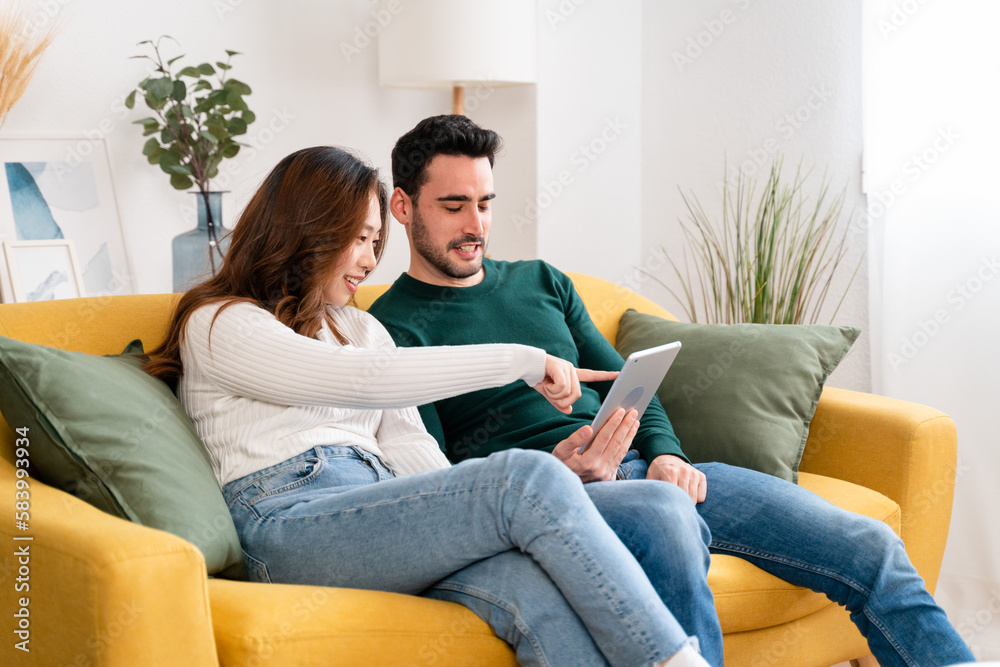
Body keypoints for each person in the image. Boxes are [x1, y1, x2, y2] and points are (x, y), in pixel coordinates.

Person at [367, 114, 978, 667]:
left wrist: (666, 455)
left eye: (485, 203)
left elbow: (632, 384)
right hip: (557, 500)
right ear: (402, 206)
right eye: (453, 206)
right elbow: (438, 478)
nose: (476, 226)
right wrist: (557, 472)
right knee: (669, 522)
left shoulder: (541, 282)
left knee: (869, 544)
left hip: (643, 469)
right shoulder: (390, 329)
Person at [144, 145, 712, 667]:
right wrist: (521, 361)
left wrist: (473, 510)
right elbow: (361, 382)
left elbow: (411, 448)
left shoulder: (362, 328)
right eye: (359, 239)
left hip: (379, 508)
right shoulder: (221, 322)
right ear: (306, 231)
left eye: (375, 242)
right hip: (286, 525)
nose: (369, 261)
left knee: (534, 585)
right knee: (525, 478)